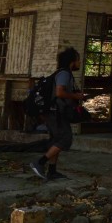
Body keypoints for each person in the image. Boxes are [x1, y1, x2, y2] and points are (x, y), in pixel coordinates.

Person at [30, 47, 86, 181]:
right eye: (78, 60)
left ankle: (52, 171)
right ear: (72, 61)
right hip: (56, 113)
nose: (79, 63)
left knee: (56, 141)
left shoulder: (62, 73)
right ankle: (40, 163)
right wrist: (75, 96)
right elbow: (59, 93)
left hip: (53, 112)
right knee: (65, 139)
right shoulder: (64, 74)